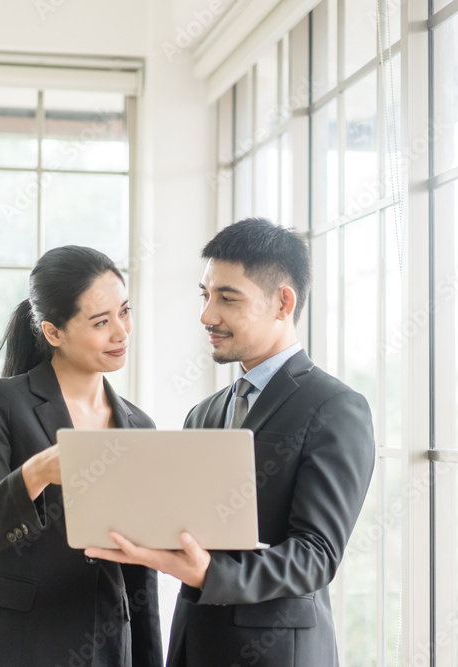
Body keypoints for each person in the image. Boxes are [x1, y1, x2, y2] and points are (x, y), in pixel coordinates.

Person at [86, 219, 375, 666]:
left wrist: (209, 573)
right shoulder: (203, 414)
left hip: (279, 654)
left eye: (227, 298)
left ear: (283, 302)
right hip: (194, 646)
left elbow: (315, 556)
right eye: (206, 295)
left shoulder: (335, 408)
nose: (207, 316)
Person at [0, 245, 162, 667]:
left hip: (103, 646)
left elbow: (142, 576)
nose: (120, 332)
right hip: (12, 644)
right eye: (101, 322)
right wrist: (37, 472)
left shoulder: (139, 426)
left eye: (125, 311)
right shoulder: (7, 401)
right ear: (53, 333)